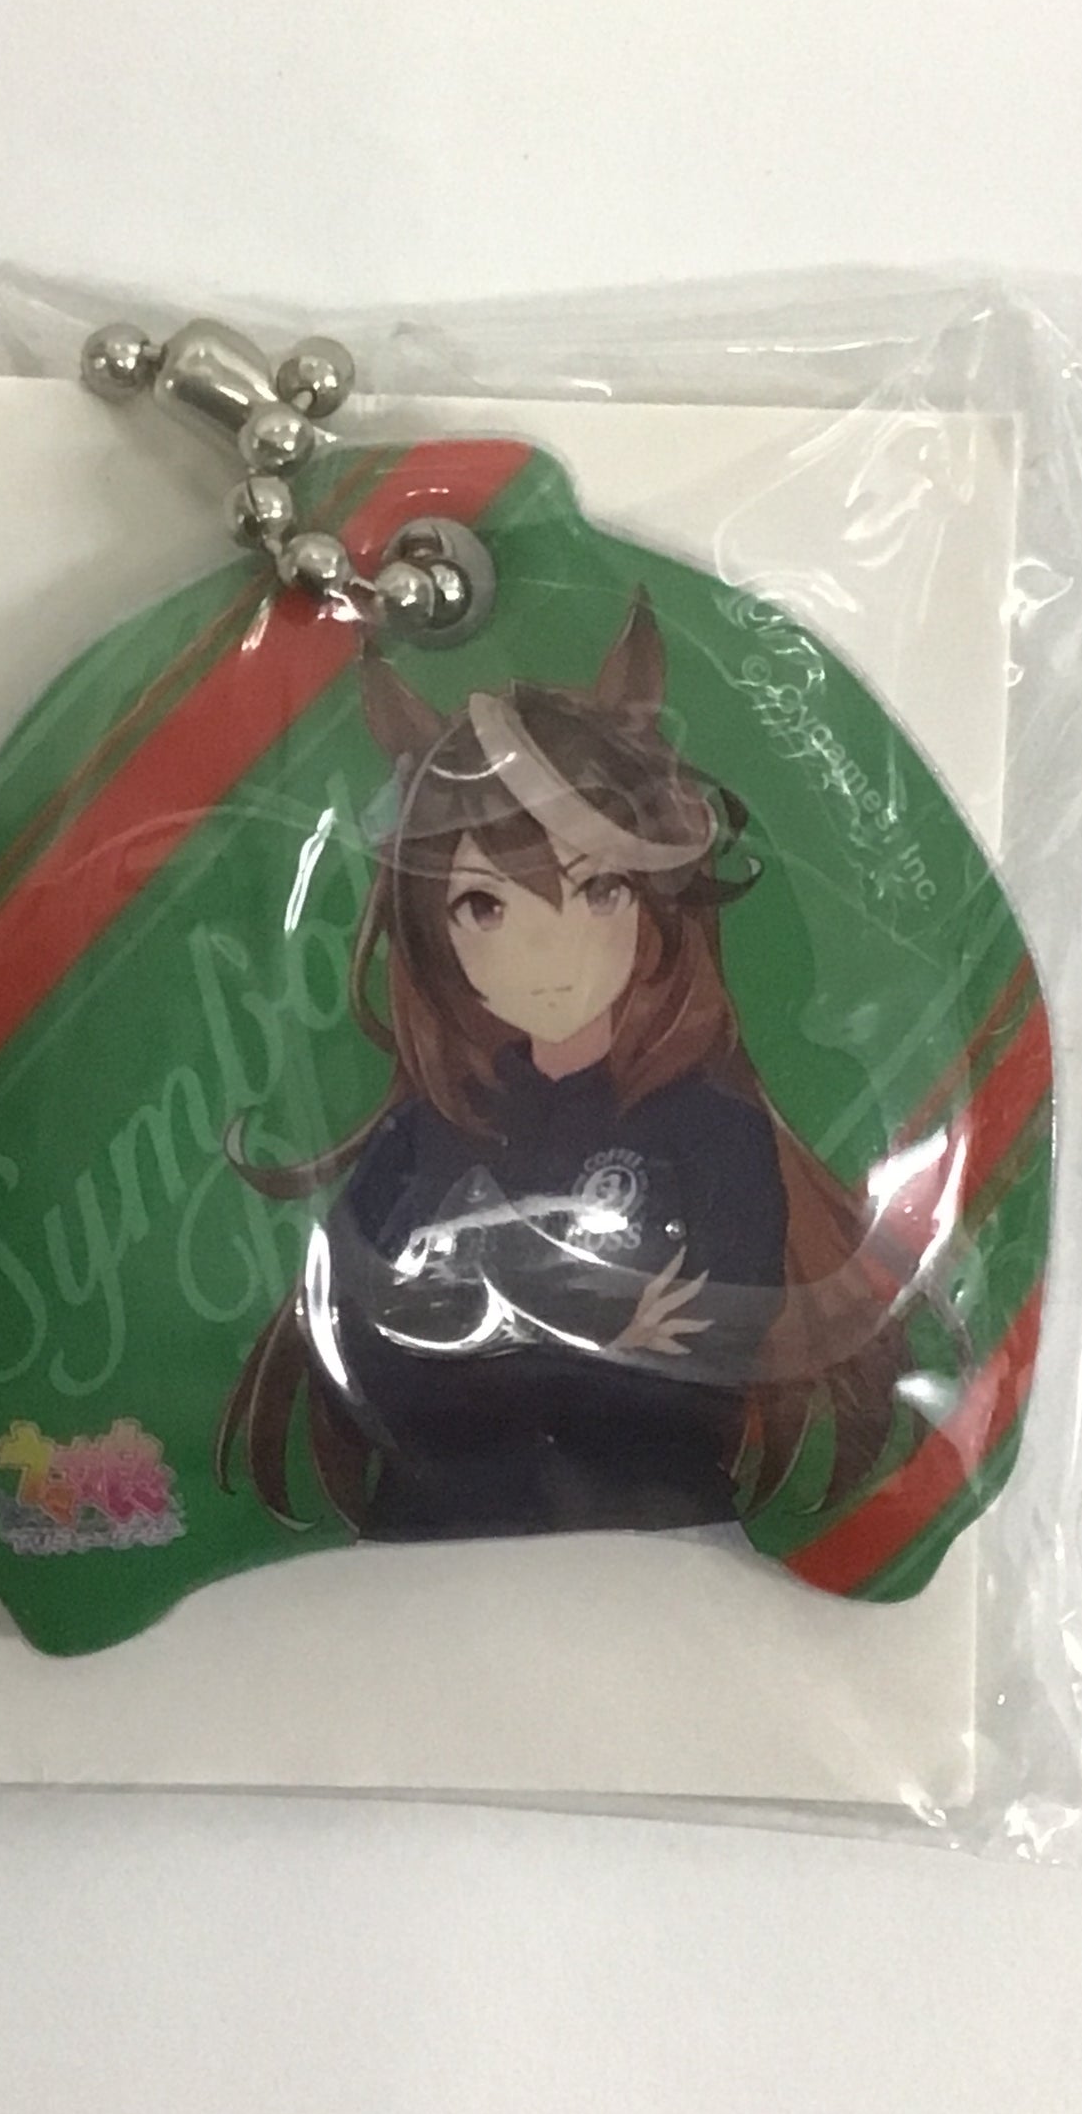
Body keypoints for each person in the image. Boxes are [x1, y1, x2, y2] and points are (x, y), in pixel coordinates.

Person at [218, 598, 907, 1543]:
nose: (547, 951)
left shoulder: (712, 1130)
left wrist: (479, 1345)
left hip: (661, 1549)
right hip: (415, 1559)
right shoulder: (420, 1136)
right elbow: (363, 1364)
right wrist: (605, 1336)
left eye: (598, 888)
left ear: (654, 902)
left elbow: (699, 1374)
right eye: (483, 906)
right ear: (434, 931)